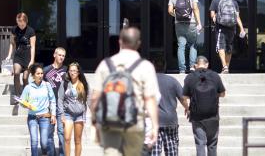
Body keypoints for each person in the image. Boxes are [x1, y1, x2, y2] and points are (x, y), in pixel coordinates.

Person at [91, 27, 160, 156]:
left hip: (109, 122)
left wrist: (95, 122)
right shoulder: (146, 66)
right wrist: (155, 126)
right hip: (134, 122)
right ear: (139, 44)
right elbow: (150, 99)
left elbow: (95, 97)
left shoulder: (105, 65)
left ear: (120, 42)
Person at [183, 56, 226, 156]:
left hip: (197, 116)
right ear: (207, 64)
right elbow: (223, 94)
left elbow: (184, 96)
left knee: (200, 143)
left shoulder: (190, 77)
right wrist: (214, 95)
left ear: (195, 65)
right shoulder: (215, 76)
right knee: (212, 144)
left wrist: (191, 101)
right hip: (213, 116)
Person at [149, 60, 189, 156]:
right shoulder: (172, 80)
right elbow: (183, 98)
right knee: (172, 151)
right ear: (165, 67)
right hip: (170, 120)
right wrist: (187, 108)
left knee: (154, 152)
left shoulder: (148, 81)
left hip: (153, 121)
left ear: (153, 67)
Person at [20, 63, 57, 156]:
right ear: (33, 75)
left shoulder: (47, 85)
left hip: (44, 117)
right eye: (38, 74)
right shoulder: (28, 87)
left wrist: (53, 114)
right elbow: (22, 101)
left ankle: (44, 153)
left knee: (44, 143)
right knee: (34, 141)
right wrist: (26, 105)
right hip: (32, 117)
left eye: (41, 73)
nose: (40, 76)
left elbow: (52, 100)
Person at [168, 0, 202, 73]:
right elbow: (195, 9)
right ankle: (192, 67)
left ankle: (182, 70)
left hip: (178, 23)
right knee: (192, 45)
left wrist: (178, 15)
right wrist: (199, 23)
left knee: (181, 46)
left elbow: (170, 11)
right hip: (191, 23)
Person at [209, 0, 245, 73]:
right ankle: (227, 67)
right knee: (229, 47)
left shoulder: (215, 1)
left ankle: (224, 66)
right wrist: (242, 28)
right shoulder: (234, 2)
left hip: (220, 27)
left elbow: (212, 15)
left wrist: (215, 19)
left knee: (221, 46)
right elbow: (237, 17)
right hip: (232, 28)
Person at [58, 62, 89, 156]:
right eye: (70, 71)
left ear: (78, 72)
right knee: (67, 138)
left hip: (79, 115)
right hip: (68, 114)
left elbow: (88, 99)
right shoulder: (65, 83)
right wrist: (62, 114)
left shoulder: (83, 84)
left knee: (78, 140)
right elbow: (60, 99)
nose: (72, 73)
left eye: (74, 71)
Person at [6, 12, 36, 101]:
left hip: (28, 56)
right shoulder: (14, 30)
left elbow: (33, 46)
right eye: (19, 24)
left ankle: (26, 96)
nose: (21, 26)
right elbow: (12, 43)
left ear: (26, 22)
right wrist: (9, 55)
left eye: (22, 24)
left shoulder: (31, 31)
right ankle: (17, 95)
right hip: (18, 55)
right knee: (16, 73)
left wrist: (32, 60)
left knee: (25, 78)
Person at [43, 47, 67, 156]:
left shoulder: (67, 70)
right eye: (60, 55)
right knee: (49, 134)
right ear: (54, 55)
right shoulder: (45, 71)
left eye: (63, 55)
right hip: (49, 106)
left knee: (62, 133)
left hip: (63, 107)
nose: (61, 57)